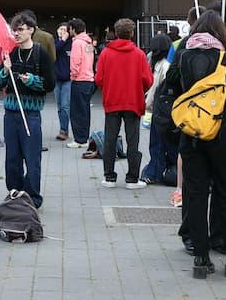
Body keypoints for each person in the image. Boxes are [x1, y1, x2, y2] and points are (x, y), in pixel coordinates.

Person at [177, 10, 226, 279]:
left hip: (193, 130)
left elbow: (176, 87)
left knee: (195, 193)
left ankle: (201, 259)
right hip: (223, 130)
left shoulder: (184, 56)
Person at [0, 12, 55, 208]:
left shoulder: (40, 53)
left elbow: (50, 84)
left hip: (30, 114)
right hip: (10, 113)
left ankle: (32, 197)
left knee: (32, 157)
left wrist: (33, 81)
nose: (16, 33)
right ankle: (14, 192)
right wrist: (4, 70)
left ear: (31, 30)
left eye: (20, 29)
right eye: (14, 30)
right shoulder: (10, 53)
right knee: (12, 157)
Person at [95, 18, 153, 189]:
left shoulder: (106, 53)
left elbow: (99, 79)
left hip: (112, 100)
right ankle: (132, 179)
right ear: (132, 34)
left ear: (116, 32)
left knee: (110, 139)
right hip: (133, 102)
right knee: (133, 140)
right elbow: (148, 80)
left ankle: (109, 177)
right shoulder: (139, 54)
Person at [141, 33, 175, 185]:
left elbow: (154, 89)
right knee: (160, 143)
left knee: (158, 143)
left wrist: (146, 104)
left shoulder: (161, 66)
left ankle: (154, 172)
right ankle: (158, 171)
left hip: (160, 110)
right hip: (162, 110)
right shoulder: (162, 64)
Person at [67, 18, 95, 149]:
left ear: (73, 29)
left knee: (77, 111)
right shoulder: (88, 43)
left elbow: (75, 62)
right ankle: (84, 137)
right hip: (89, 79)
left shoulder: (77, 43)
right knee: (85, 111)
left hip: (79, 80)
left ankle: (79, 139)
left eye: (70, 28)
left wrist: (73, 75)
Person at [53, 22, 72, 141]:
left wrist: (65, 40)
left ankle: (64, 130)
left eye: (65, 30)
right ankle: (63, 128)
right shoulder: (55, 43)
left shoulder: (72, 44)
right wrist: (62, 41)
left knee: (65, 106)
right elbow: (53, 51)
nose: (62, 31)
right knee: (59, 106)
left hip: (68, 80)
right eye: (60, 29)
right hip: (56, 79)